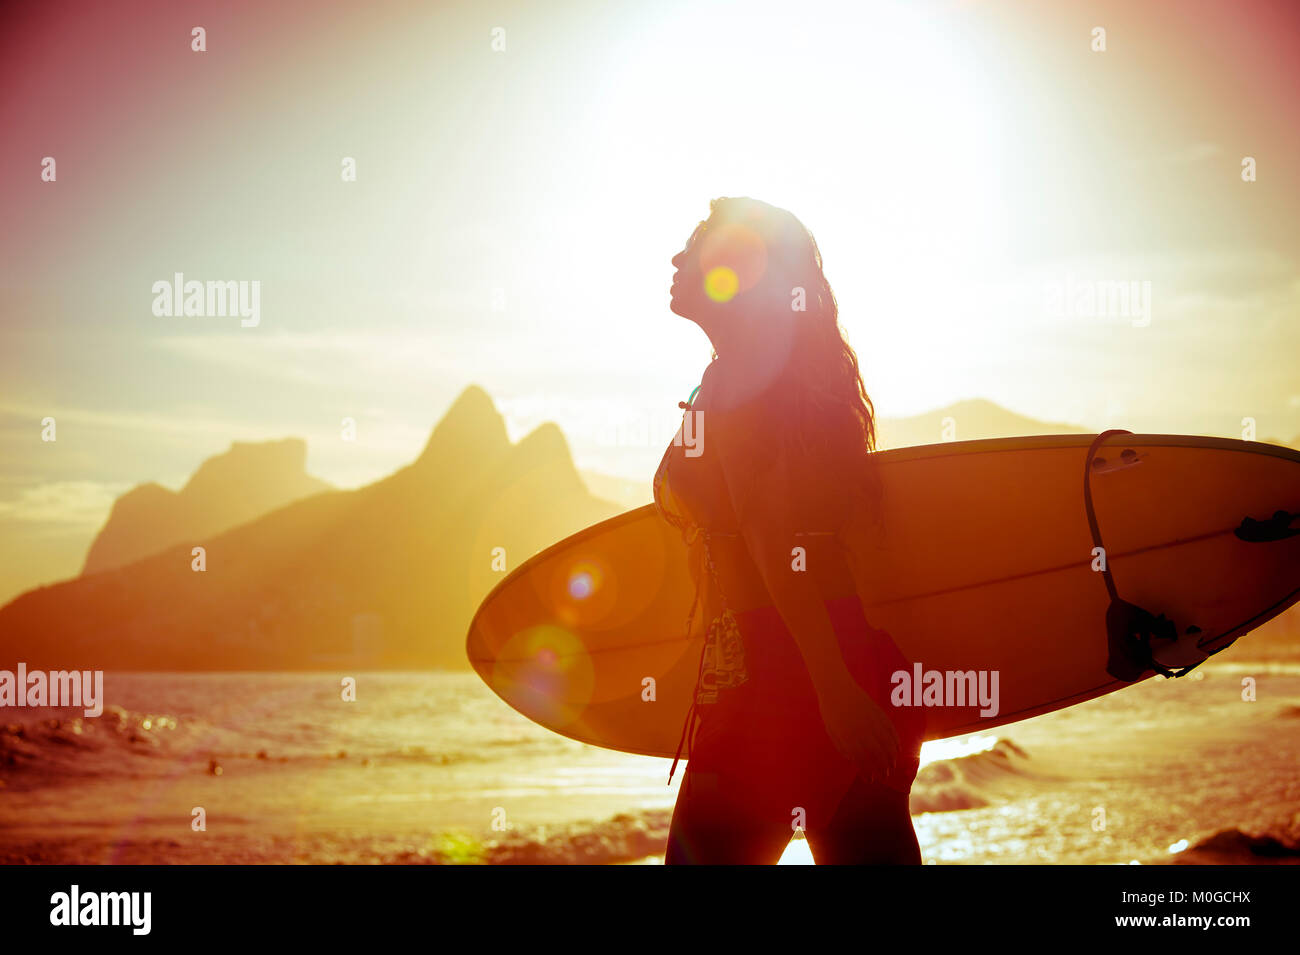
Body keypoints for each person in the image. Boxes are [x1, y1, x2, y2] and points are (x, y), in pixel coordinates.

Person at [654, 197, 925, 864]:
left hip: (785, 681)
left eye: (694, 246)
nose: (676, 259)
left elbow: (774, 536)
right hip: (790, 668)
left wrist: (833, 691)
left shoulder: (746, 380)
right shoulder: (735, 379)